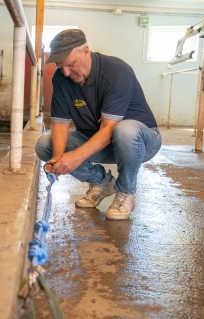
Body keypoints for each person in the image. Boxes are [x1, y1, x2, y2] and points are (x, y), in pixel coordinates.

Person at [35, 29, 162, 220]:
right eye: (62, 67)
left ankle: (125, 193)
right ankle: (101, 182)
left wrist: (75, 158)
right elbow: (60, 124)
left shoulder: (117, 71)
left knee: (124, 130)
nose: (67, 72)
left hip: (140, 142)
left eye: (70, 64)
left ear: (86, 50)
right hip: (99, 141)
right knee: (44, 145)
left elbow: (109, 129)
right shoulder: (62, 78)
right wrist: (57, 159)